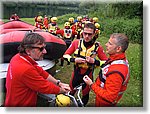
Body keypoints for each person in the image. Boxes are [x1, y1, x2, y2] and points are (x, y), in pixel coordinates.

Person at [4, 32, 70, 107]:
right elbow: (44, 86)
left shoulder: (18, 57)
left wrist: (59, 83)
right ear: (28, 51)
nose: (45, 51)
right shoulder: (25, 69)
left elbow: (41, 72)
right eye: (41, 49)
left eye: (44, 47)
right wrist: (62, 90)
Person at [63, 23, 107, 106]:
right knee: (70, 92)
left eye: (90, 34)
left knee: (85, 94)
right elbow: (65, 55)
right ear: (82, 32)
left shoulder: (97, 47)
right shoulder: (76, 42)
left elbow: (106, 62)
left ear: (94, 34)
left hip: (88, 74)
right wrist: (74, 59)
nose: (86, 36)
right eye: (85, 33)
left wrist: (94, 61)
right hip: (76, 73)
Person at [83, 33, 130, 107]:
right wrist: (95, 61)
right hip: (101, 99)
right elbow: (108, 65)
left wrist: (91, 84)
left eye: (110, 43)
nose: (106, 44)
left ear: (118, 49)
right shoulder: (118, 59)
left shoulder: (116, 72)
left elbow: (109, 97)